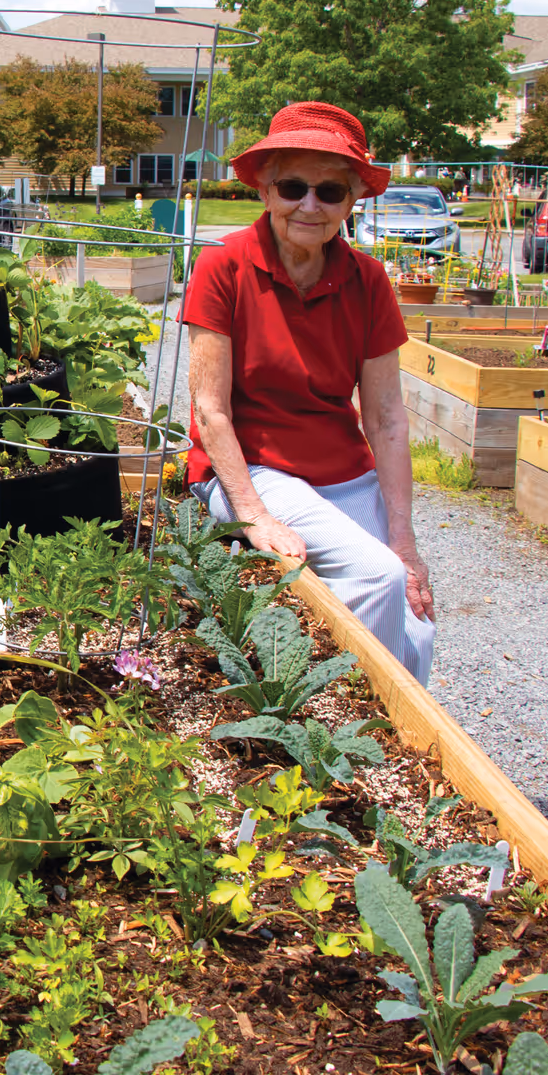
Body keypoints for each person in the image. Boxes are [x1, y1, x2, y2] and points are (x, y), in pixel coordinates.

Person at [182, 101, 436, 683]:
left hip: (340, 471)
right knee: (377, 577)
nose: (310, 205)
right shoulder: (224, 266)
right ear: (267, 191)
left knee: (416, 617)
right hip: (250, 469)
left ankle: (406, 740)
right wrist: (254, 517)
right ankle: (357, 722)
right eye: (294, 186)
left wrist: (406, 539)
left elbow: (387, 419)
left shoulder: (367, 281)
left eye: (331, 192)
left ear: (351, 203)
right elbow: (210, 409)